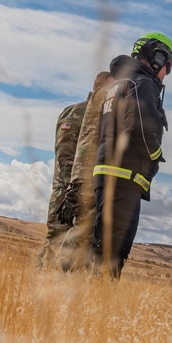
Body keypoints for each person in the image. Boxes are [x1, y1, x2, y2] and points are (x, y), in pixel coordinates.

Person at [92, 32, 172, 278]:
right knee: (112, 254)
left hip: (109, 173)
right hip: (124, 176)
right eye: (168, 67)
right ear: (158, 58)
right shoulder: (142, 83)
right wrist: (156, 154)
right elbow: (143, 125)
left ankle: (89, 300)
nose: (166, 74)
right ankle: (94, 302)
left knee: (102, 244)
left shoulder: (117, 86)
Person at [37, 70, 113, 268]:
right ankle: (47, 282)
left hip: (68, 188)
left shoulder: (75, 111)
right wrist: (74, 187)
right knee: (64, 238)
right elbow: (66, 154)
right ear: (100, 87)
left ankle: (46, 283)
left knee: (63, 238)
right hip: (71, 190)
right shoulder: (83, 113)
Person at [55, 63, 118, 271]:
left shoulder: (101, 110)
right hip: (76, 182)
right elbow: (66, 150)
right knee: (71, 233)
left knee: (83, 233)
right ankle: (56, 278)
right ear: (98, 87)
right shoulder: (79, 111)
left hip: (83, 180)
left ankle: (63, 278)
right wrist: (70, 186)